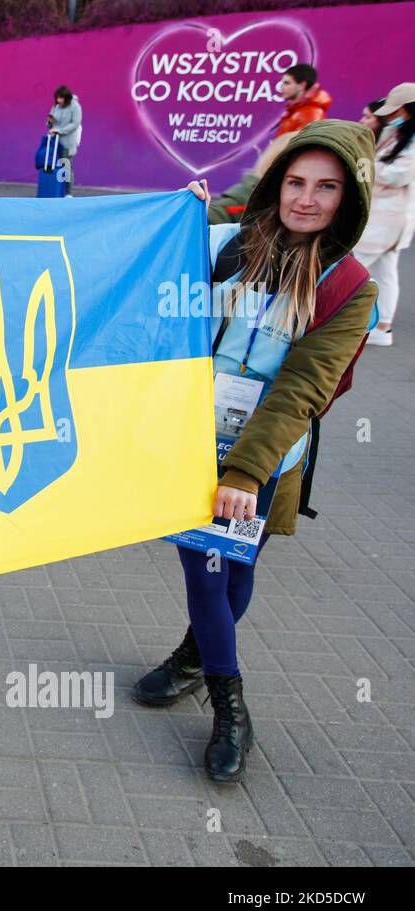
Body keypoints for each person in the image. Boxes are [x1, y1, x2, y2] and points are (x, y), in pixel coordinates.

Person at [133, 121, 379, 785]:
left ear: (349, 198)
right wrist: (182, 205)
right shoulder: (233, 244)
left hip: (267, 457)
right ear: (277, 182)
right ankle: (230, 706)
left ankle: (191, 657)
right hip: (194, 443)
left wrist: (247, 469)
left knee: (236, 572)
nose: (305, 198)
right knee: (208, 572)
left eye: (325, 187)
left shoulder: (352, 288)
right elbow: (161, 245)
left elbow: (303, 388)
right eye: (296, 182)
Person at [355, 82, 415, 347]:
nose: (390, 118)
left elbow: (399, 175)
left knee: (353, 269)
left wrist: (368, 165)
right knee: (385, 273)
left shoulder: (410, 142)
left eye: (396, 112)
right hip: (383, 217)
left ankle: (326, 320)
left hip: (387, 220)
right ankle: (382, 327)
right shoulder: (398, 136)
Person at [273, 64, 331, 141]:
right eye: (282, 83)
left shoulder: (312, 113)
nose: (281, 87)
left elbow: (308, 146)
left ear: (302, 85)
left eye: (287, 83)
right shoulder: (296, 111)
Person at [47, 85, 82, 195]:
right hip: (55, 142)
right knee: (55, 167)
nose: (59, 100)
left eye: (61, 98)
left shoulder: (75, 106)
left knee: (67, 167)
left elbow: (75, 124)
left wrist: (60, 131)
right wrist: (50, 123)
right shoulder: (56, 106)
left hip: (68, 143)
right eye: (57, 98)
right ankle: (56, 191)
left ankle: (68, 193)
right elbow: (51, 123)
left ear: (67, 98)